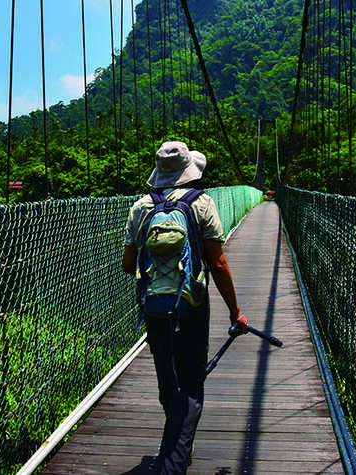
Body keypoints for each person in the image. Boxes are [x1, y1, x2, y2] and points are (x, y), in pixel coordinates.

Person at [122, 141, 249, 474]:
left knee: (167, 375)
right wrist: (235, 312)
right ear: (187, 171)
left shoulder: (141, 207)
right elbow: (217, 263)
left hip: (153, 306)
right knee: (191, 381)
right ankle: (174, 464)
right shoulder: (201, 203)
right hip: (192, 305)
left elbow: (127, 264)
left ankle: (175, 441)